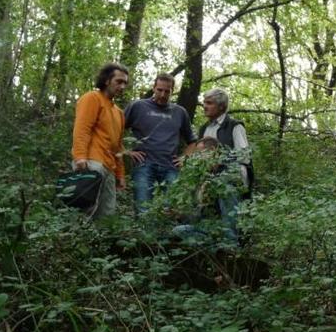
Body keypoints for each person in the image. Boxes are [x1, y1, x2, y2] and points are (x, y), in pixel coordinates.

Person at [124, 73, 197, 213]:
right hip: (144, 166)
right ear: (154, 87)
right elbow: (115, 129)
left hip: (170, 167)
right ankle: (145, 234)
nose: (163, 94)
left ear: (172, 91)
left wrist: (184, 158)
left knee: (171, 211)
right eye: (159, 90)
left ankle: (167, 235)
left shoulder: (180, 112)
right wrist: (126, 151)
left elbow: (192, 141)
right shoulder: (138, 106)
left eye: (167, 91)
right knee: (143, 209)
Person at [71, 62, 128, 219]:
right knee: (85, 212)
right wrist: (80, 157)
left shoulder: (119, 113)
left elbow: (118, 146)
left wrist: (120, 174)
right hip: (91, 162)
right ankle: (73, 243)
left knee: (107, 216)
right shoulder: (92, 98)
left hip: (109, 168)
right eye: (118, 81)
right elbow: (82, 129)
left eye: (125, 83)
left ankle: (98, 244)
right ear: (106, 80)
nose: (122, 86)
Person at [198, 88, 253, 199]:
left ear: (221, 106)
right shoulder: (204, 129)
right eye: (204, 102)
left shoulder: (234, 126)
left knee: (228, 212)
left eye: (209, 103)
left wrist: (220, 161)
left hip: (231, 177)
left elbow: (244, 156)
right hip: (209, 177)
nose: (204, 106)